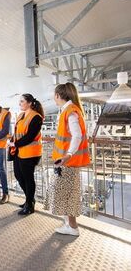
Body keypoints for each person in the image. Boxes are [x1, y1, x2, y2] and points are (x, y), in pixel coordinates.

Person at [44, 82, 90, 236]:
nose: (54, 99)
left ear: (58, 96)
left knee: (68, 194)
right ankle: (69, 225)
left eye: (54, 96)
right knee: (66, 193)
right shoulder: (70, 110)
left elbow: (77, 135)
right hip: (65, 162)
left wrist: (69, 154)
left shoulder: (70, 111)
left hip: (67, 162)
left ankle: (72, 227)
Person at [8, 94, 44, 215]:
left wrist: (15, 144)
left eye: (22, 101)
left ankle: (29, 205)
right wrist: (13, 141)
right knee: (18, 176)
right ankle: (30, 199)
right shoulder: (21, 115)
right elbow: (17, 131)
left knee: (28, 179)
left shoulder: (36, 117)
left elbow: (30, 136)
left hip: (31, 153)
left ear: (29, 103)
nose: (20, 103)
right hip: (20, 151)